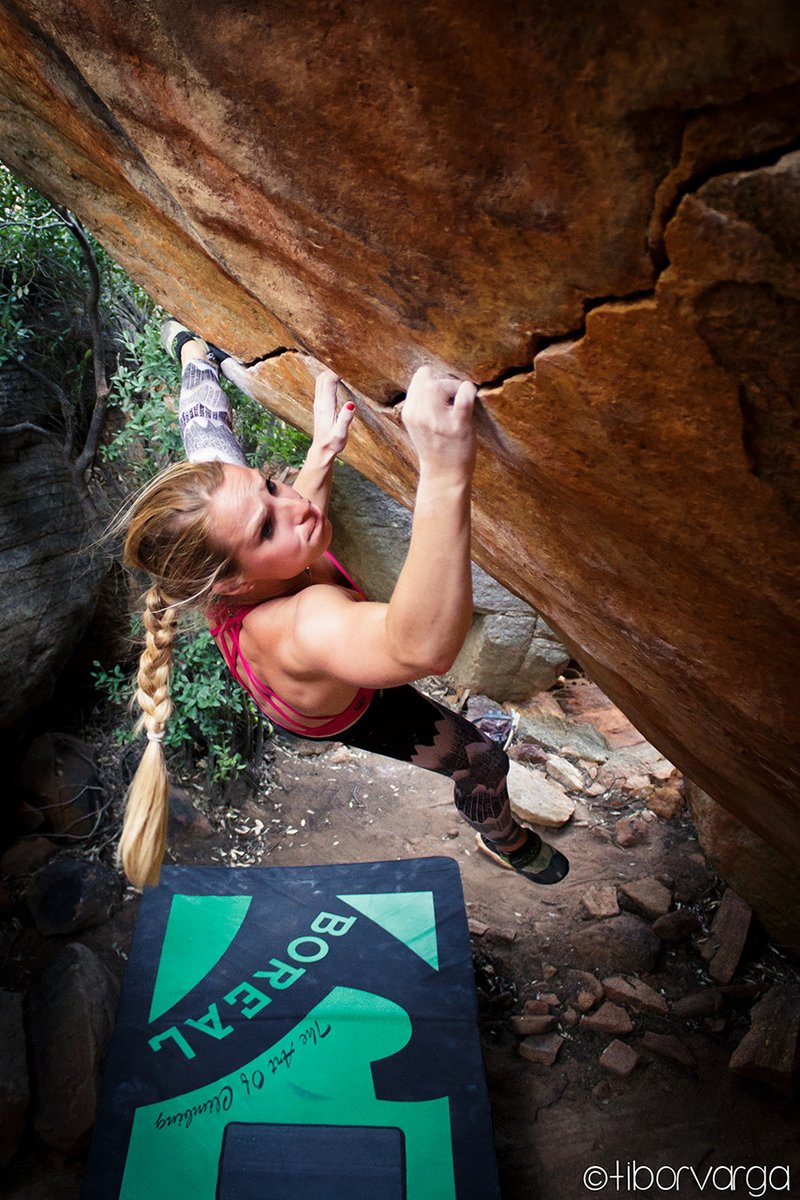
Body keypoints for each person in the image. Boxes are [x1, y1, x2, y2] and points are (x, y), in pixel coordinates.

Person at [116, 320, 570, 890]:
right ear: (227, 584)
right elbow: (422, 647)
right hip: (346, 706)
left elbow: (203, 426)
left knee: (262, 505)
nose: (296, 506)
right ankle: (502, 837)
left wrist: (192, 352)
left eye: (271, 485)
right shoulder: (301, 627)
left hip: (320, 656)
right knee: (483, 761)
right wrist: (446, 470)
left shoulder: (222, 531)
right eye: (264, 529)